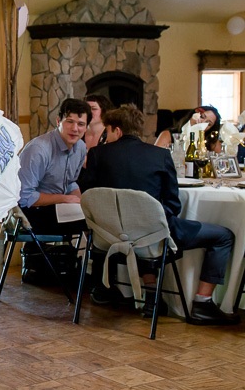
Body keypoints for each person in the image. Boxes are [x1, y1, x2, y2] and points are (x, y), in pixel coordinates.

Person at [80, 104, 240, 325]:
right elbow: (174, 205)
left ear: (116, 130)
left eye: (106, 131)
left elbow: (88, 195)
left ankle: (153, 296)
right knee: (223, 236)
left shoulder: (97, 154)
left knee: (146, 225)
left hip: (106, 239)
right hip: (149, 238)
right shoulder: (159, 156)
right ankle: (202, 303)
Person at [17, 98, 91, 235]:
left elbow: (70, 183)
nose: (75, 129)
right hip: (31, 212)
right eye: (70, 122)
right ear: (58, 122)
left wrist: (80, 201)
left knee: (97, 216)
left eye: (81, 124)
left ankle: (79, 256)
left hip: (58, 208)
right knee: (92, 222)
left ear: (86, 128)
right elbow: (24, 197)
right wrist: (64, 199)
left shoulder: (80, 147)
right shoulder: (38, 150)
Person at [154, 105, 223, 153]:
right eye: (202, 117)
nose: (202, 122)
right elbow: (155, 159)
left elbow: (220, 162)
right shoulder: (168, 135)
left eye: (208, 123)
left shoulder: (210, 141)